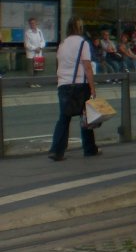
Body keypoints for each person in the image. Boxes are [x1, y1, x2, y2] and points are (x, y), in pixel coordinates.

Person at [47, 17, 99, 160]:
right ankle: (89, 149)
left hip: (63, 84)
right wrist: (93, 88)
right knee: (85, 117)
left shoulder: (62, 44)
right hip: (80, 85)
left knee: (64, 117)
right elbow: (87, 67)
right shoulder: (83, 43)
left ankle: (57, 150)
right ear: (80, 28)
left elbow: (60, 64)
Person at [23, 17, 46, 87]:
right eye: (31, 23)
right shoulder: (27, 32)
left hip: (38, 53)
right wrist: (35, 48)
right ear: (29, 24)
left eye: (34, 23)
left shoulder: (39, 31)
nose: (32, 24)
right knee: (31, 70)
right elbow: (26, 44)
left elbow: (43, 41)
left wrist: (40, 47)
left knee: (37, 69)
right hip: (31, 54)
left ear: (36, 23)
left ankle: (35, 82)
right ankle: (30, 83)